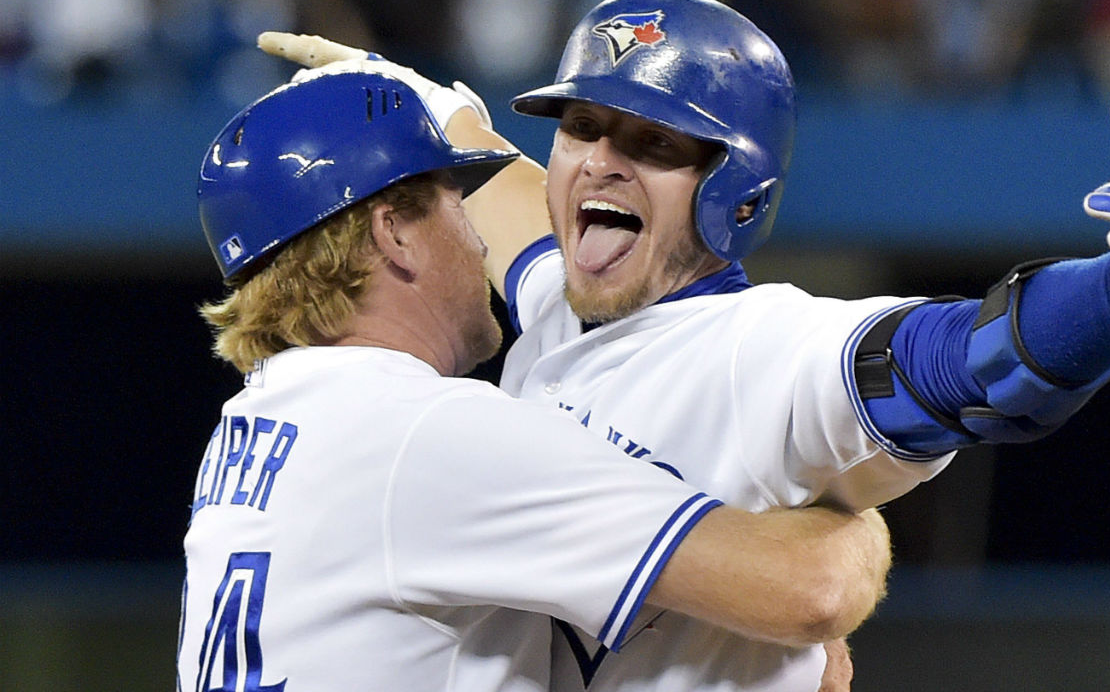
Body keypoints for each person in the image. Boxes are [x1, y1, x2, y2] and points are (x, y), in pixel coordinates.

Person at [259, 0, 1110, 691]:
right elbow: (515, 188)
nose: (599, 159)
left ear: (739, 192)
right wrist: (409, 101)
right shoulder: (561, 301)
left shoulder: (768, 352)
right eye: (582, 126)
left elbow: (966, 364)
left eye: (653, 143)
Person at [178, 63, 896, 692]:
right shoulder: (431, 435)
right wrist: (846, 512)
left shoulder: (253, 429)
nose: (483, 235)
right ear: (393, 232)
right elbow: (813, 592)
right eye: (457, 199)